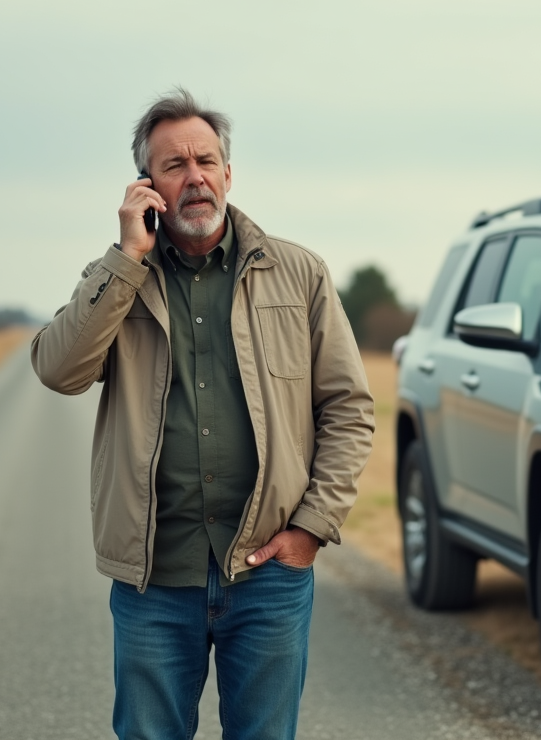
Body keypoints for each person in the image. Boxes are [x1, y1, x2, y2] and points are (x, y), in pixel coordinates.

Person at [31, 87, 375, 739]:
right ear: (146, 187)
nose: (195, 177)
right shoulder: (117, 278)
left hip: (269, 576)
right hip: (155, 581)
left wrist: (311, 528)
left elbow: (349, 410)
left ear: (228, 173)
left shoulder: (299, 274)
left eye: (206, 161)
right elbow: (58, 370)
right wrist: (126, 259)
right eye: (174, 165)